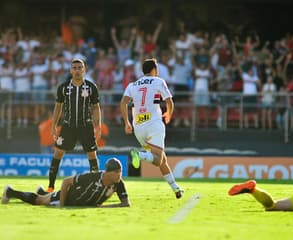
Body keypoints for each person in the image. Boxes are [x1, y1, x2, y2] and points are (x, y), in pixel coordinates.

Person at [120, 58, 184, 199]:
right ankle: (139, 155)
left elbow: (123, 103)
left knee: (162, 160)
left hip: (138, 127)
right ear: (154, 69)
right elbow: (169, 101)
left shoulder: (133, 85)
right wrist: (169, 113)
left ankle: (176, 188)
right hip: (154, 124)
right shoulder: (158, 81)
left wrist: (126, 122)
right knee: (157, 160)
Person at [47, 58, 102, 192]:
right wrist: (54, 125)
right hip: (68, 126)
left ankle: (96, 187)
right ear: (71, 70)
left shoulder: (91, 87)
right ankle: (50, 186)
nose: (77, 70)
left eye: (80, 68)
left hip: (86, 126)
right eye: (75, 68)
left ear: (84, 70)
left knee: (92, 154)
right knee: (58, 152)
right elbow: (58, 107)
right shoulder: (64, 88)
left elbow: (96, 107)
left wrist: (98, 125)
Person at [2, 158, 130, 208]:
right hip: (67, 197)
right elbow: (66, 181)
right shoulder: (92, 177)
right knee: (39, 201)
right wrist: (62, 205)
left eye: (121, 171)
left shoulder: (119, 183)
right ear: (108, 172)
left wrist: (104, 207)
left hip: (78, 204)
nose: (120, 175)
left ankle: (42, 192)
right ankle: (10, 192)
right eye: (117, 172)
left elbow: (126, 204)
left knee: (43, 197)